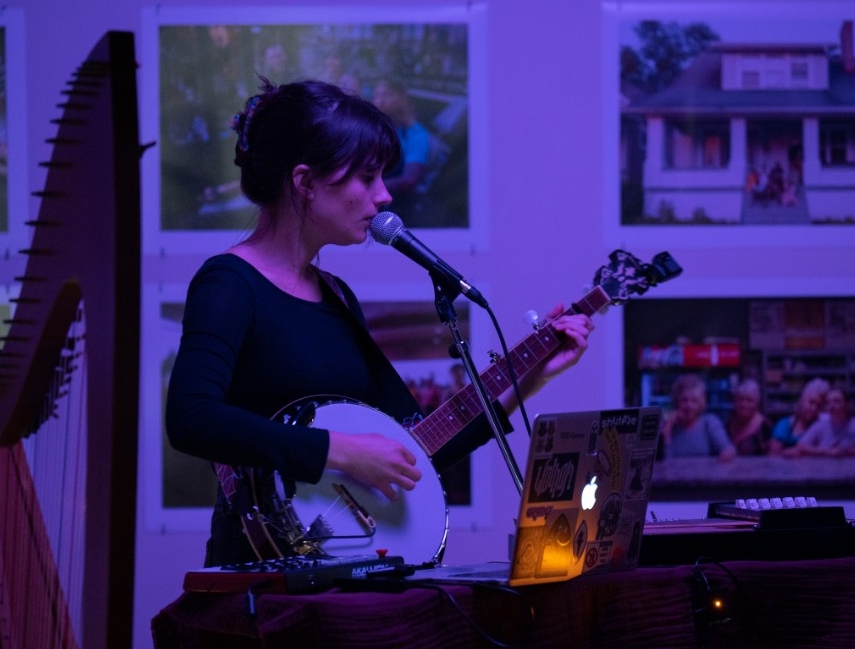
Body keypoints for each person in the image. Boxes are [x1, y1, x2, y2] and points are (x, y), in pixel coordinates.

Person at [164, 79, 594, 567]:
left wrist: (530, 376)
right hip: (264, 571)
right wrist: (338, 451)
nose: (384, 196)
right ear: (305, 183)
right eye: (366, 178)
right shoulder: (229, 284)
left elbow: (415, 451)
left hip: (346, 571)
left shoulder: (337, 295)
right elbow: (190, 418)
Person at [371, 77, 440, 221]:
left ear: (402, 99)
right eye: (377, 95)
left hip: (393, 210)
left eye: (385, 95)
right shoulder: (377, 129)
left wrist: (369, 188)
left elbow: (409, 180)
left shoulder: (416, 135)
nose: (379, 101)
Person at [660, 374, 735, 461]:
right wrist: (668, 427)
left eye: (694, 401)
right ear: (677, 401)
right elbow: (666, 461)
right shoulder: (668, 425)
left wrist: (726, 454)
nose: (689, 406)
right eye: (684, 400)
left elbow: (728, 449)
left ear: (701, 403)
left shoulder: (709, 422)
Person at [793, 386, 855, 458]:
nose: (831, 405)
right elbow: (801, 446)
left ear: (847, 404)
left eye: (836, 401)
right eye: (828, 402)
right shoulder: (820, 425)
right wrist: (827, 452)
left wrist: (844, 452)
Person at [768, 377, 829, 456]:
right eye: (811, 402)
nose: (814, 408)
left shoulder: (821, 427)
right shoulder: (784, 425)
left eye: (818, 406)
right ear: (801, 401)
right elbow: (773, 455)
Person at [725, 379, 771, 456]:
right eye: (740, 399)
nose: (743, 404)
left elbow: (771, 459)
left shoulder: (765, 427)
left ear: (757, 402)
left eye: (749, 400)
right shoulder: (729, 423)